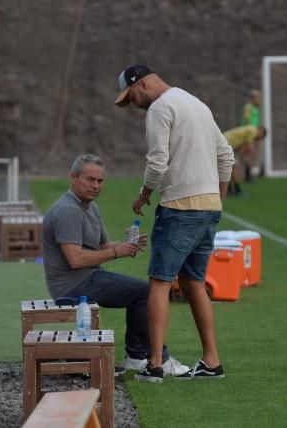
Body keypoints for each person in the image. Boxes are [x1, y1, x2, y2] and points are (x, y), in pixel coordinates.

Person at [114, 64, 234, 383]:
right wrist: (216, 198)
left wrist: (143, 195)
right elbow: (227, 156)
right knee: (194, 282)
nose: (135, 106)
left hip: (179, 206)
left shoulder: (160, 108)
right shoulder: (197, 104)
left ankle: (153, 365)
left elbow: (157, 163)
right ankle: (211, 361)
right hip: (209, 207)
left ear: (141, 85)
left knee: (159, 282)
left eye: (131, 98)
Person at [42, 153, 190, 377]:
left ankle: (137, 356)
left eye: (100, 181)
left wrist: (125, 244)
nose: (95, 186)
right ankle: (152, 357)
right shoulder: (68, 210)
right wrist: (115, 252)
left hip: (88, 277)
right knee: (145, 292)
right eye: (89, 179)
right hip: (71, 285)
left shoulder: (91, 207)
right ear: (73, 177)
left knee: (140, 291)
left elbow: (100, 245)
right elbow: (75, 259)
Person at [223, 124, 267, 196]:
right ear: (261, 132)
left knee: (232, 167)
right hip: (225, 144)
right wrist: (246, 158)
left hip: (226, 144)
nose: (260, 138)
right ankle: (236, 190)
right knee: (235, 166)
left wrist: (238, 156)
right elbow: (249, 147)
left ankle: (230, 189)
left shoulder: (250, 130)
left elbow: (245, 146)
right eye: (262, 137)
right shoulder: (253, 131)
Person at [240, 89, 262, 181]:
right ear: (253, 98)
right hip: (248, 134)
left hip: (252, 133)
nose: (259, 100)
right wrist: (250, 132)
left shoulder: (254, 107)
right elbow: (247, 119)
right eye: (258, 97)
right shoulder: (249, 107)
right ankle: (247, 175)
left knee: (250, 153)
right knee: (248, 152)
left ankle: (248, 173)